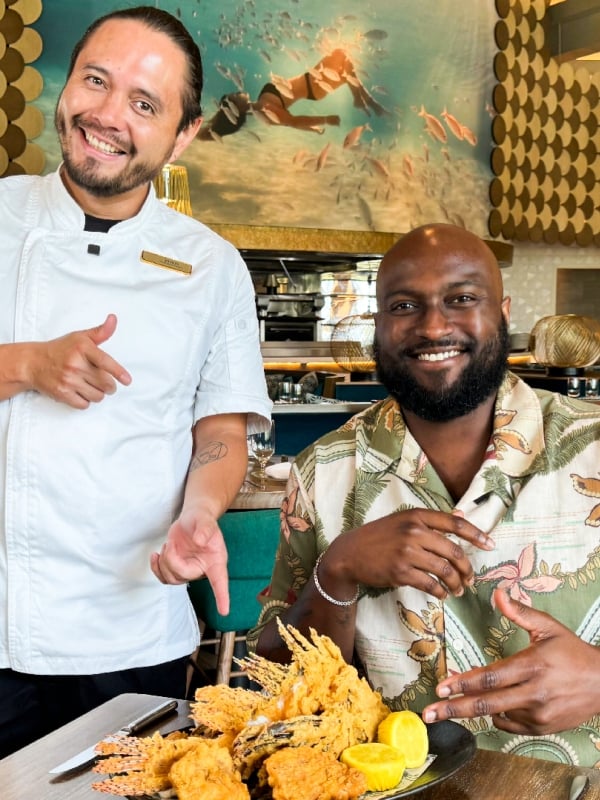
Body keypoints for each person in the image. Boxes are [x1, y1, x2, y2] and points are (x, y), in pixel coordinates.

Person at [0, 6, 271, 757]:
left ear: (183, 135)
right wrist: (23, 364)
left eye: (144, 104)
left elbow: (220, 428)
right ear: (66, 86)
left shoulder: (213, 265)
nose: (107, 115)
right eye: (96, 81)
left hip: (133, 631)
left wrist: (201, 511)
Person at [249, 222, 600, 767]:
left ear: (503, 313)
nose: (434, 326)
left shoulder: (592, 448)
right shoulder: (325, 470)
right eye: (405, 305)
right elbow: (275, 680)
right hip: (395, 785)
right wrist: (337, 572)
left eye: (461, 299)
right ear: (378, 324)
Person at [198, 48, 387, 140]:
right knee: (342, 59)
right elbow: (293, 121)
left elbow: (292, 123)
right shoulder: (266, 109)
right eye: (234, 96)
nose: (236, 92)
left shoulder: (259, 107)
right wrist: (326, 119)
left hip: (311, 79)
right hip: (315, 87)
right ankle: (363, 100)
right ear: (236, 108)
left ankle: (363, 100)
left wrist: (314, 129)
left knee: (345, 65)